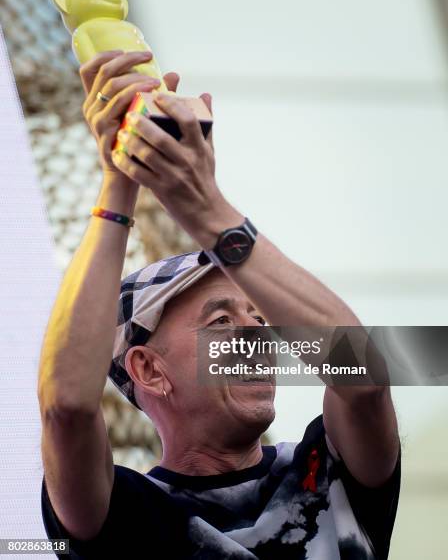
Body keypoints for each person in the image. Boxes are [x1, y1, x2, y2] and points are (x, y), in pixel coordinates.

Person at [38, 51, 400, 559]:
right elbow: (68, 410)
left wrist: (208, 208)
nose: (256, 336)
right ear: (148, 368)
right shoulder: (126, 513)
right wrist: (119, 180)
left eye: (258, 317)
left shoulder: (327, 472)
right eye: (222, 320)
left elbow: (364, 378)